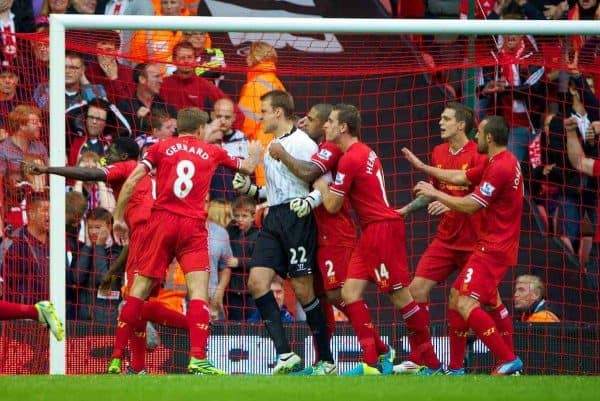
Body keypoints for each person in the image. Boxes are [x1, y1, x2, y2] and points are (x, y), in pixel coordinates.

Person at [111, 107, 262, 375]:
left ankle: (116, 357)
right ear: (201, 129)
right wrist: (255, 155)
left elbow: (134, 178)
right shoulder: (212, 151)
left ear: (179, 127)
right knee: (199, 292)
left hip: (162, 221)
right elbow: (248, 167)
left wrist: (118, 215)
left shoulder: (160, 147)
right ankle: (197, 358)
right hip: (192, 226)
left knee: (138, 290)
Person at [312, 104, 440, 376]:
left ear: (343, 127)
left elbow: (333, 206)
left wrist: (321, 184)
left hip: (382, 230)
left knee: (400, 297)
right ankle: (371, 361)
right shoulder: (363, 152)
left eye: (331, 122)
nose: (326, 126)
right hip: (371, 231)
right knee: (349, 293)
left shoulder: (351, 158)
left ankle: (431, 362)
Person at [268, 103, 385, 374]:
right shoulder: (319, 148)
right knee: (321, 298)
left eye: (311, 119)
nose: (302, 123)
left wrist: (283, 153)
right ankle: (324, 360)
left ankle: (376, 352)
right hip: (314, 233)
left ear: (328, 125)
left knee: (339, 294)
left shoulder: (331, 149)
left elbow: (310, 175)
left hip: (335, 232)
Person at [410, 115, 524, 375]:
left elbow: (471, 205)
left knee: (466, 303)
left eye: (479, 133)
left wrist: (436, 193)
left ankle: (508, 359)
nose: (475, 137)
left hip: (493, 247)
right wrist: (424, 168)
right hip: (492, 244)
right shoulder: (502, 161)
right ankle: (456, 367)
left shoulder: (500, 167)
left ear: (489, 138)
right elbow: (461, 178)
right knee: (455, 297)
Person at [233, 90, 335, 375]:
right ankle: (285, 354)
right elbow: (277, 190)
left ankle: (325, 360)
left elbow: (321, 182)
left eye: (263, 111)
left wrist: (310, 201)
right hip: (274, 216)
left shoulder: (302, 143)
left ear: (278, 112)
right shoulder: (272, 145)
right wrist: (251, 190)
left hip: (297, 218)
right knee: (256, 282)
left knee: (303, 290)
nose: (260, 116)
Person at [396, 103, 489, 375]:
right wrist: (405, 210)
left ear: (461, 125)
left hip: (475, 241)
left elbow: (484, 199)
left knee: (466, 301)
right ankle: (420, 356)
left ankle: (459, 366)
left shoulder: (478, 154)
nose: (440, 122)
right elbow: (433, 192)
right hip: (447, 239)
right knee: (416, 290)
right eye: (440, 118)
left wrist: (449, 204)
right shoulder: (438, 152)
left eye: (446, 119)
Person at [238, 41, 286, 187]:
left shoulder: (254, 85)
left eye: (248, 55)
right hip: (279, 143)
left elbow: (246, 125)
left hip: (261, 145)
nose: (246, 59)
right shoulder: (276, 82)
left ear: (254, 57)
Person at [226, 195, 259, 321]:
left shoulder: (258, 235)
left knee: (252, 328)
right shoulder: (230, 231)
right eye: (237, 215)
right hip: (233, 292)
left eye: (244, 216)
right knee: (234, 328)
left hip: (251, 293)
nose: (240, 219)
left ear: (253, 217)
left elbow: (260, 261)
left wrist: (239, 262)